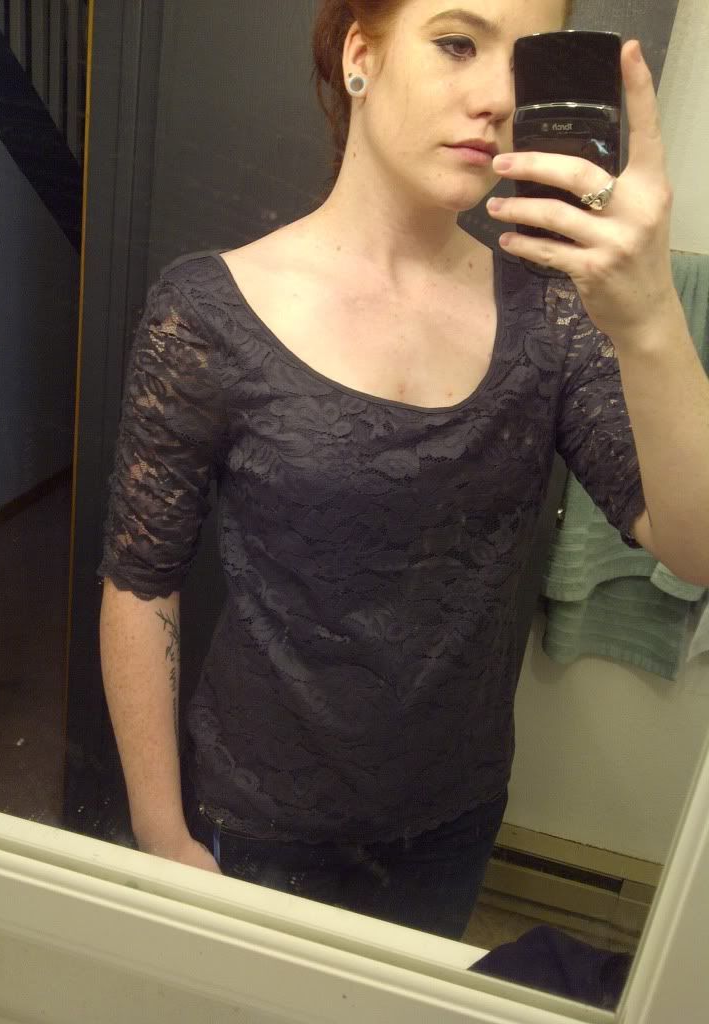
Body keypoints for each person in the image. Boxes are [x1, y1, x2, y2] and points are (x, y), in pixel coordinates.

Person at [98, 0, 707, 941]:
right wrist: (159, 831)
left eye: (524, 65)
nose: (498, 98)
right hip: (253, 819)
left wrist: (653, 316)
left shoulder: (555, 315)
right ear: (361, 55)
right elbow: (141, 582)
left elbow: (696, 549)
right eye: (458, 44)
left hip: (450, 823)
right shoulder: (207, 312)